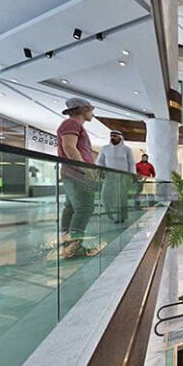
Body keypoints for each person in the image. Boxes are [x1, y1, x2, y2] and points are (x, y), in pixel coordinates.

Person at [56, 97, 101, 259]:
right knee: (84, 208)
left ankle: (68, 246)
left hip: (72, 174)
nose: (92, 113)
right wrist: (86, 169)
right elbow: (69, 146)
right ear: (82, 109)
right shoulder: (72, 124)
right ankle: (74, 248)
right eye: (90, 109)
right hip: (77, 174)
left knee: (71, 208)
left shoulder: (74, 125)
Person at [96, 130, 137, 225]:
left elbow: (131, 163)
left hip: (123, 177)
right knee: (105, 197)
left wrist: (132, 175)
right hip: (109, 176)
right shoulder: (104, 148)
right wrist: (99, 170)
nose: (112, 138)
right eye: (111, 136)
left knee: (120, 198)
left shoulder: (127, 149)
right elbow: (99, 162)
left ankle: (120, 217)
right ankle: (110, 216)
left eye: (115, 136)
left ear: (120, 137)